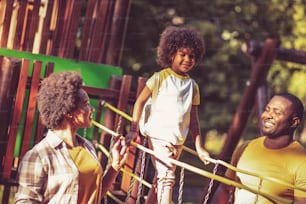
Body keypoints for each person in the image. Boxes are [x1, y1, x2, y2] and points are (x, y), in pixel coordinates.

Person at [126, 26, 210, 204]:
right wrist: (134, 129)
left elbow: (193, 122)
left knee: (161, 178)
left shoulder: (193, 86)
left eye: (192, 56)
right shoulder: (160, 77)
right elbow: (140, 102)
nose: (188, 59)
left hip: (177, 141)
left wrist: (199, 147)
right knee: (167, 177)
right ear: (171, 54)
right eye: (183, 54)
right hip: (158, 137)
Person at [14, 71, 127, 203]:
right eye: (86, 104)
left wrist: (115, 165)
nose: (92, 109)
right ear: (69, 112)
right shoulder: (39, 155)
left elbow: (94, 194)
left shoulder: (87, 147)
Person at [211, 93, 306, 204]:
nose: (267, 115)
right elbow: (226, 189)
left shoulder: (302, 162)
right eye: (267, 109)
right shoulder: (245, 148)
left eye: (277, 112)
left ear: (294, 122)